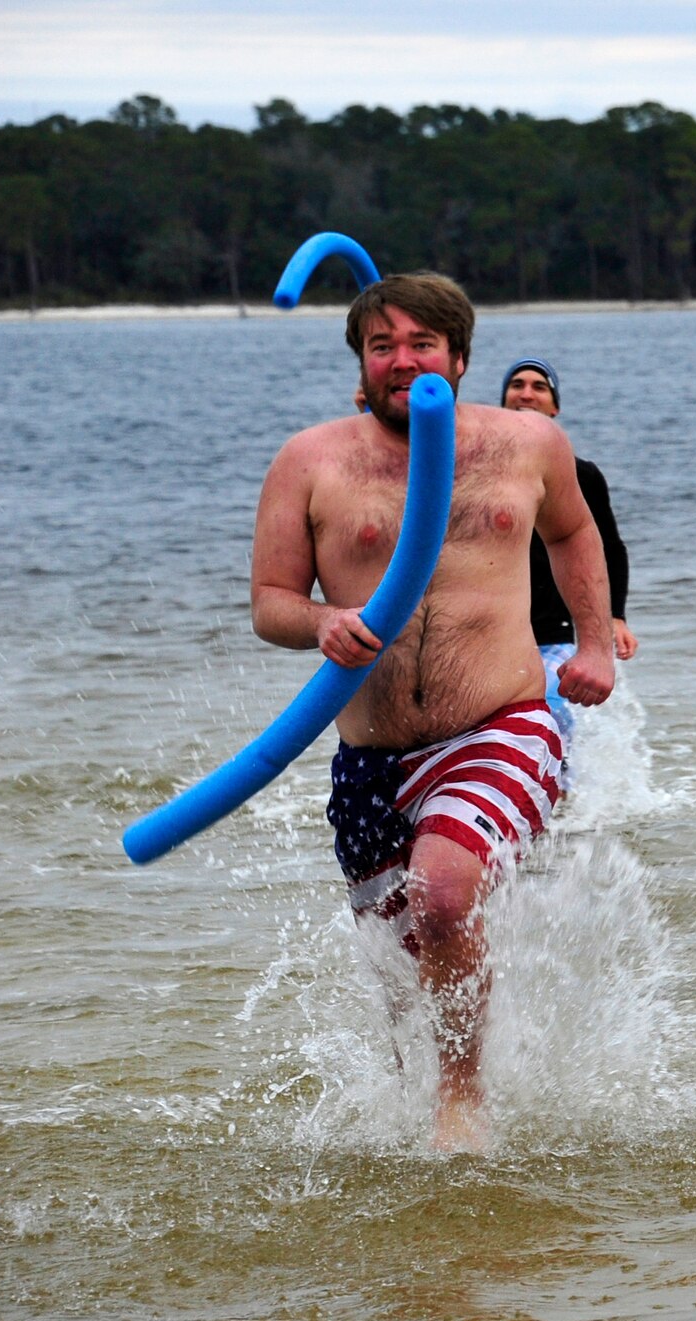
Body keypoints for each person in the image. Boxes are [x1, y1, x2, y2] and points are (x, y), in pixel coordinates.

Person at [252, 272, 617, 1150]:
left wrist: (597, 641)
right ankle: (419, 1097)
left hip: (502, 720)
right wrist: (323, 620)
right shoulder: (311, 460)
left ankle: (464, 1104)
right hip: (373, 756)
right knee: (402, 970)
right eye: (383, 346)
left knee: (443, 895)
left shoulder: (529, 442)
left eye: (422, 345)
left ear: (459, 358)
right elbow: (270, 601)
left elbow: (572, 532)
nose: (402, 360)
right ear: (360, 366)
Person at [498, 358, 639, 742]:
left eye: (539, 387)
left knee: (547, 726)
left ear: (554, 406)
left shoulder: (581, 474)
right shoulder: (479, 471)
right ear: (503, 401)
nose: (526, 392)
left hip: (556, 633)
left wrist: (616, 616)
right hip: (496, 635)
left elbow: (610, 548)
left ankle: (564, 799)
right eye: (517, 384)